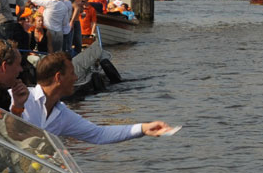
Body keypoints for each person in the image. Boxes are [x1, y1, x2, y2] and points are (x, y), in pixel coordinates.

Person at [11, 53, 172, 143]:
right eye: (72, 73)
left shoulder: (63, 114)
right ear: (58, 77)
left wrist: (143, 128)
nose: (75, 78)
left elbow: (99, 134)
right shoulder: (17, 97)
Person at [0, 41, 28, 113]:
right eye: (18, 64)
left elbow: (6, 124)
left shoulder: (4, 95)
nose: (21, 69)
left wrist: (18, 106)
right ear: (4, 66)